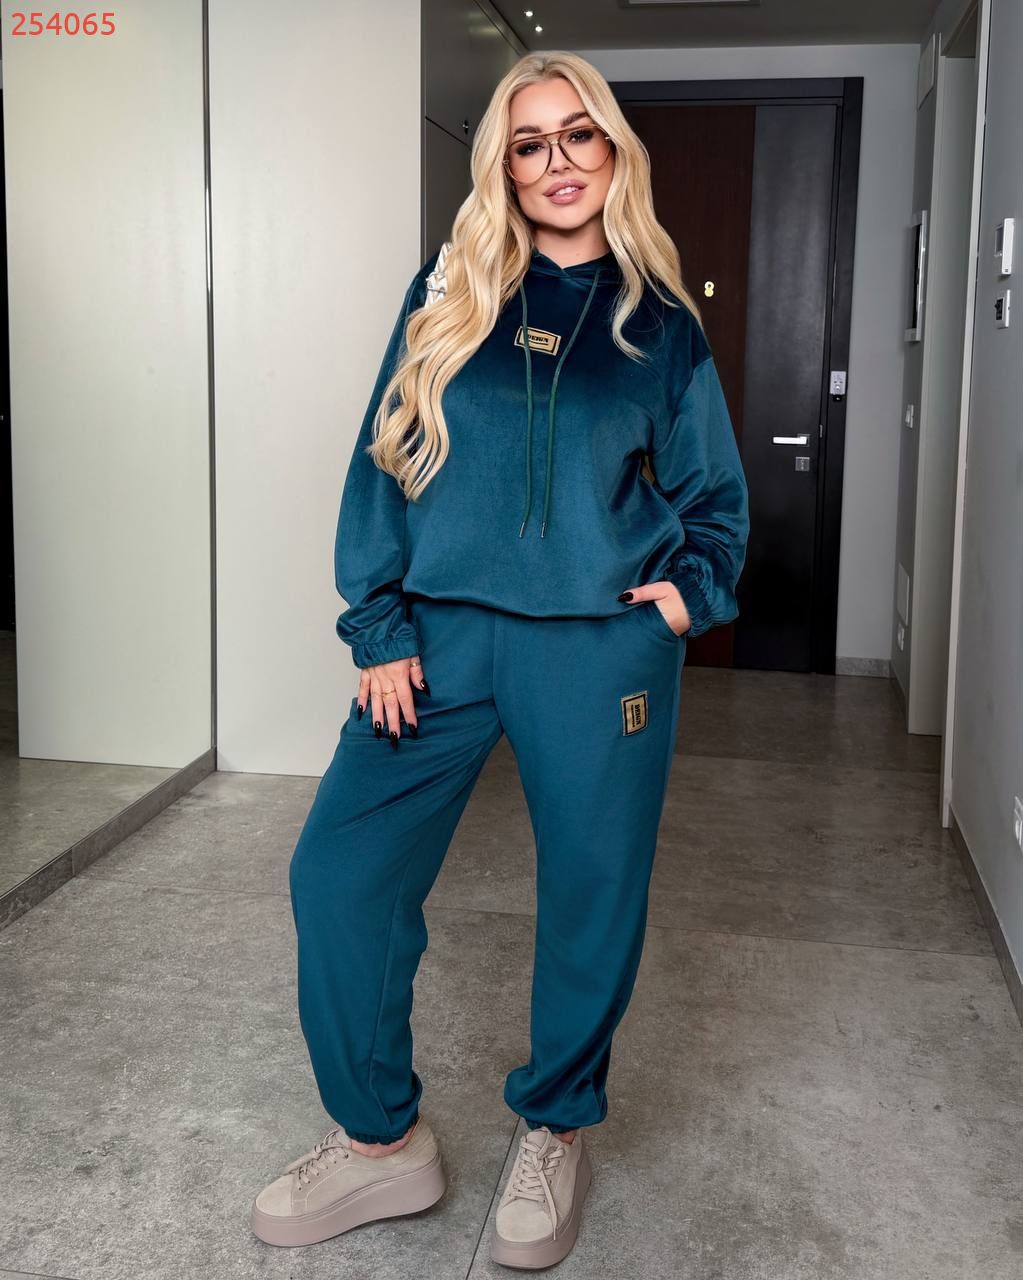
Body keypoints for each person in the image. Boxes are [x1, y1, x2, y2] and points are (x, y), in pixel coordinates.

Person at [250, 49, 749, 1270]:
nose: (558, 161)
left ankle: (557, 1123)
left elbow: (716, 504)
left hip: (597, 645)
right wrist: (378, 623)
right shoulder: (449, 293)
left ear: (613, 151)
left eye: (580, 135)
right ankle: (381, 1141)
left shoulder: (661, 325)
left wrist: (680, 601)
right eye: (530, 143)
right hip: (437, 639)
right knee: (340, 874)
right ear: (504, 167)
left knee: (590, 892)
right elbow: (384, 459)